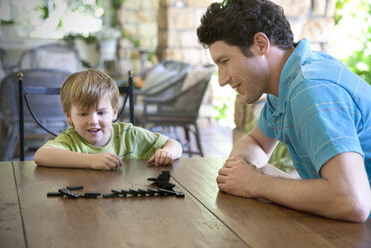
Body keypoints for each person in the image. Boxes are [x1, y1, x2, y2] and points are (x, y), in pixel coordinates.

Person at [197, 0, 371, 222]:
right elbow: (257, 142)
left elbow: (352, 201)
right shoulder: (285, 87)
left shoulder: (312, 89)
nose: (222, 80)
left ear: (260, 44)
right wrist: (238, 170)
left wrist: (254, 182)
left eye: (225, 61)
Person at [34, 69, 182, 170]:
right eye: (83, 114)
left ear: (114, 113)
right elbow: (41, 155)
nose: (93, 121)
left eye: (101, 113)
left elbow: (174, 144)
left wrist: (167, 153)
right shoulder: (71, 140)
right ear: (69, 116)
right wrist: (91, 161)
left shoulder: (129, 135)